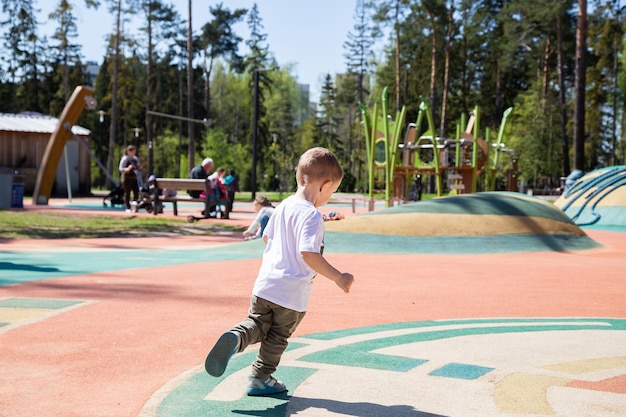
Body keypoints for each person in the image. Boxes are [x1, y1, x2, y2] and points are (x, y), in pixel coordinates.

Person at [204, 147, 355, 396]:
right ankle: (260, 378)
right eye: (332, 192)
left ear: (299, 177)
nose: (329, 197)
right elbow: (308, 253)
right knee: (277, 337)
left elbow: (266, 237)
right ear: (325, 185)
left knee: (256, 324)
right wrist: (339, 277)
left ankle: (237, 337)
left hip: (264, 284)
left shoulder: (283, 206)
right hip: (291, 293)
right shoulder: (312, 216)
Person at [118, 145, 142, 212]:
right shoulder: (125, 158)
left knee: (136, 191)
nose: (134, 153)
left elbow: (138, 166)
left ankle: (135, 205)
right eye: (133, 151)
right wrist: (128, 169)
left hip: (134, 177)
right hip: (127, 177)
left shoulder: (135, 158)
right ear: (129, 151)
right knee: (127, 192)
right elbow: (121, 168)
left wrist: (139, 168)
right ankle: (127, 207)